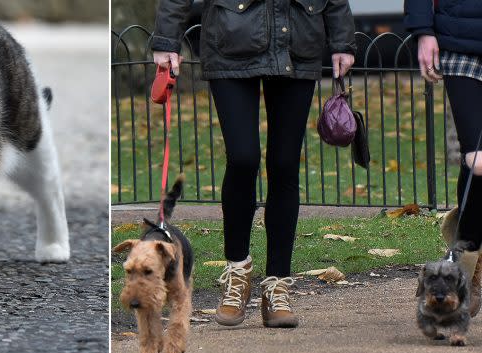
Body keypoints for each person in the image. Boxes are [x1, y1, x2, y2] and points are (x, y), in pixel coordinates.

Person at [151, 0, 356, 328]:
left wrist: (342, 40)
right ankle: (237, 271)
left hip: (297, 40)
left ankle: (278, 284)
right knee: (243, 158)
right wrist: (166, 40)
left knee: (285, 164)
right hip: (231, 38)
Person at [405, 0, 482, 316]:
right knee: (477, 160)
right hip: (460, 38)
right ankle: (467, 259)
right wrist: (423, 30)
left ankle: (468, 260)